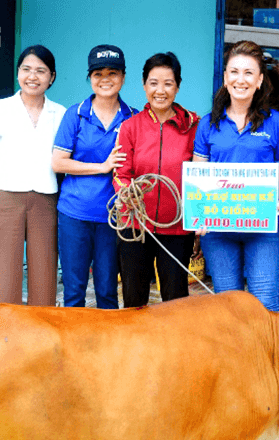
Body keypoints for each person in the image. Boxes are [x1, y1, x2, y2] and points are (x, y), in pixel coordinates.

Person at [193, 40, 279, 313]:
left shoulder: (274, 121)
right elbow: (198, 175)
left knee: (265, 307)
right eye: (235, 72)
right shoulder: (208, 124)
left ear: (260, 80)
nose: (241, 79)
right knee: (229, 311)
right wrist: (197, 213)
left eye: (249, 73)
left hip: (265, 230)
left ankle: (264, 358)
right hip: (218, 231)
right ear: (226, 77)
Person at [0, 45, 66, 305]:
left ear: (52, 77)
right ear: (17, 74)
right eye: (26, 69)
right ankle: (5, 340)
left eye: (40, 71)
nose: (32, 76)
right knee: (4, 281)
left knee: (45, 281)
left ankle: (39, 342)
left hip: (46, 202)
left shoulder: (61, 114)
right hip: (5, 201)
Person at [52, 44, 137, 309]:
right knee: (74, 292)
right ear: (89, 78)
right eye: (98, 73)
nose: (105, 79)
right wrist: (102, 166)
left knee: (108, 291)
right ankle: (72, 350)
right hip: (74, 214)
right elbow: (58, 162)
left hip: (113, 218)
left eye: (113, 73)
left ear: (123, 77)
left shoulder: (132, 119)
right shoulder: (75, 115)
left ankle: (105, 351)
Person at [113, 52, 200, 307]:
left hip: (177, 228)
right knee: (133, 297)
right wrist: (127, 192)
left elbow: (200, 176)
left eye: (168, 83)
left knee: (175, 300)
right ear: (143, 85)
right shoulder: (130, 127)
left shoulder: (193, 127)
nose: (160, 91)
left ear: (178, 86)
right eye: (153, 83)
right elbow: (121, 174)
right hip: (135, 226)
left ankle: (173, 347)